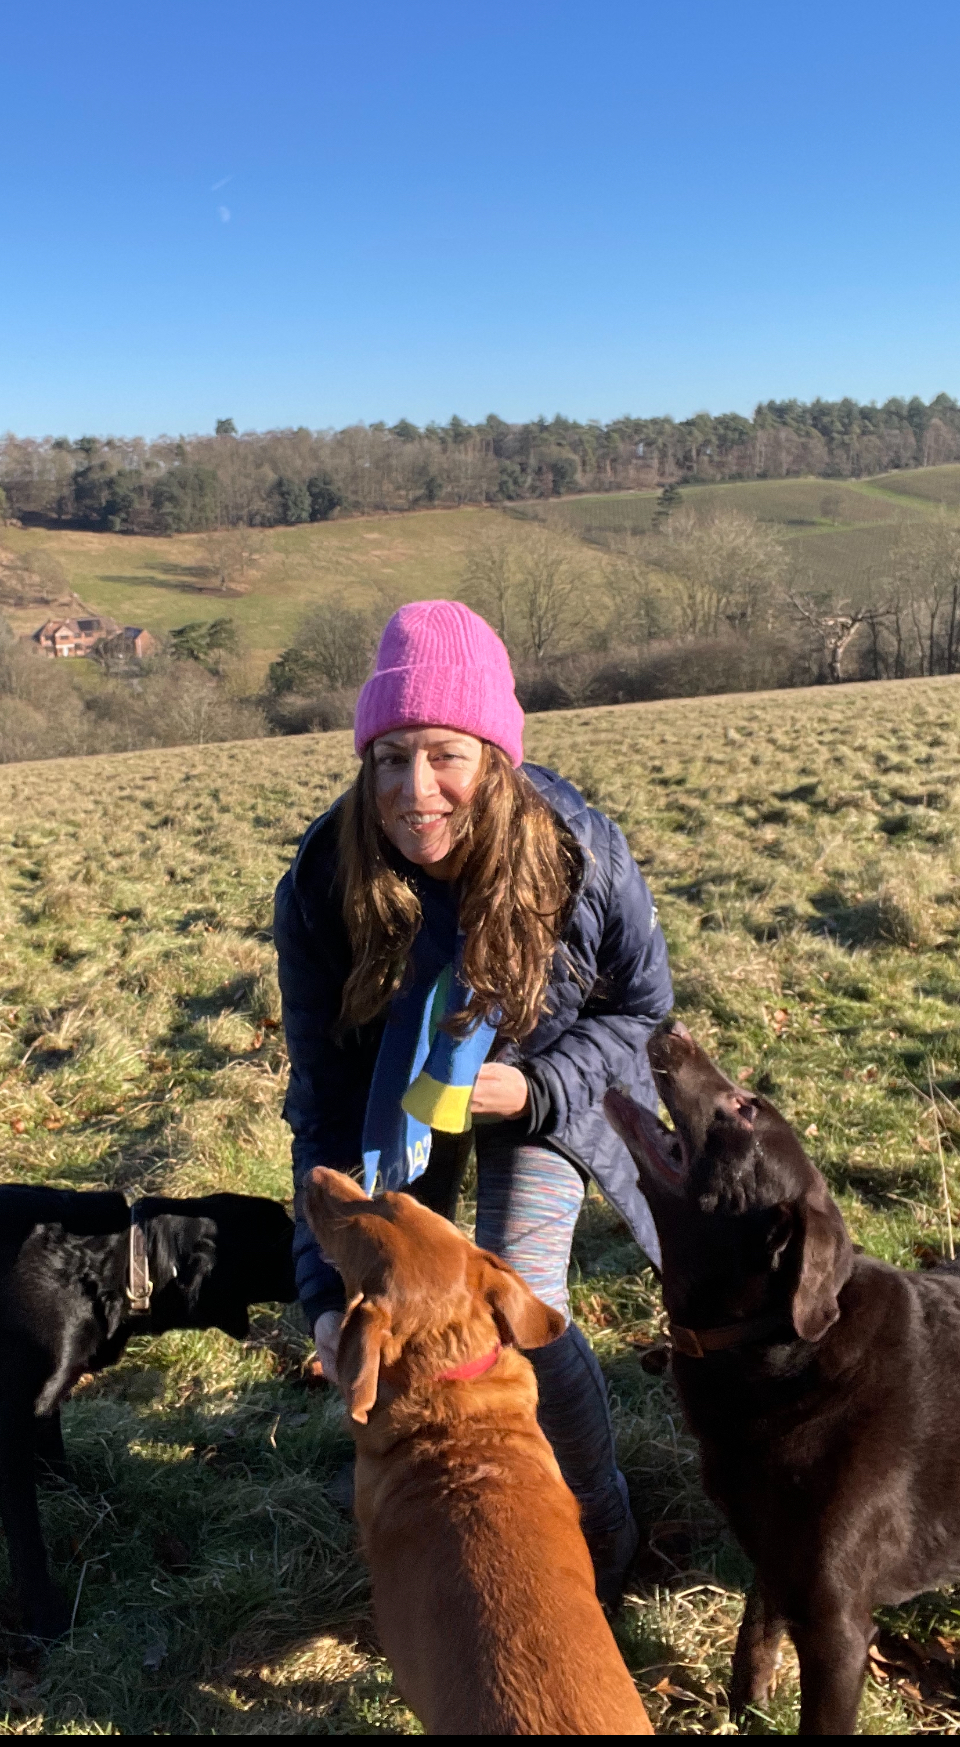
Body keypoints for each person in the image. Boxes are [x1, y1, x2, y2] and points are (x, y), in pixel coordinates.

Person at [274, 599, 673, 1603]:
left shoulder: (579, 852)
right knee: (395, 1312)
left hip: (537, 1102)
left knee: (515, 1314)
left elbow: (644, 1014)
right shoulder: (325, 881)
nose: (416, 791)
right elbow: (320, 1097)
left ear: (493, 754)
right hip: (395, 1107)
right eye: (390, 758)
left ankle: (601, 1525)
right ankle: (446, 1515)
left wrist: (537, 1086)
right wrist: (325, 1293)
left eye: (445, 753)